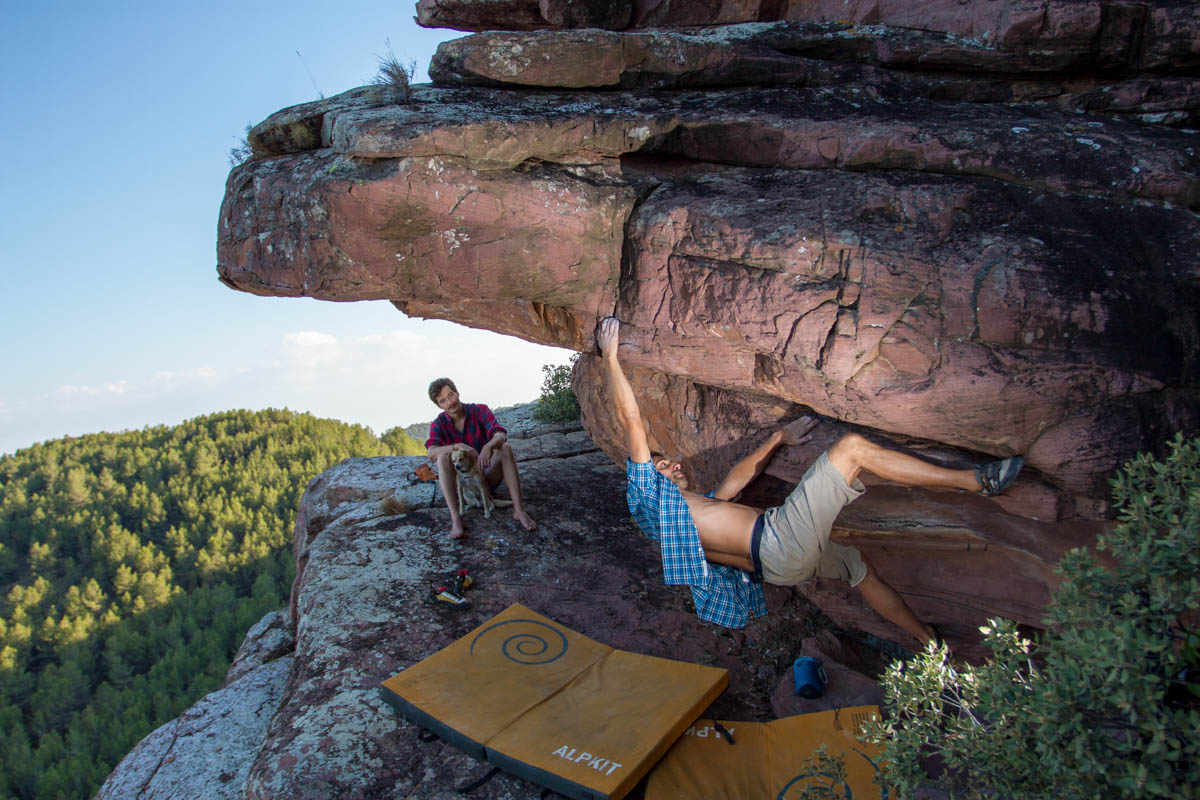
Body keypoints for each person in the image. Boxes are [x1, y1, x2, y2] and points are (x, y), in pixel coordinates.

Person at [597, 317, 1023, 648]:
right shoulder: (649, 498)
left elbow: (737, 480)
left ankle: (929, 640)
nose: (672, 464)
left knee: (857, 566)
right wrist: (611, 357)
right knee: (851, 450)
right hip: (778, 541)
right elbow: (632, 422)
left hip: (780, 567)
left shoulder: (687, 518)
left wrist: (777, 439)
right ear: (645, 478)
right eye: (662, 465)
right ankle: (975, 481)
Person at [425, 378, 537, 539]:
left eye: (451, 395)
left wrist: (489, 446)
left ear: (457, 392)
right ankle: (456, 518)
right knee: (442, 458)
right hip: (463, 485)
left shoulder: (479, 410)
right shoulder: (438, 424)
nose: (450, 402)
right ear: (439, 405)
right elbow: (431, 452)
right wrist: (457, 446)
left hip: (486, 476)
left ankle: (519, 510)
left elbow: (500, 434)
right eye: (443, 401)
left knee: (505, 448)